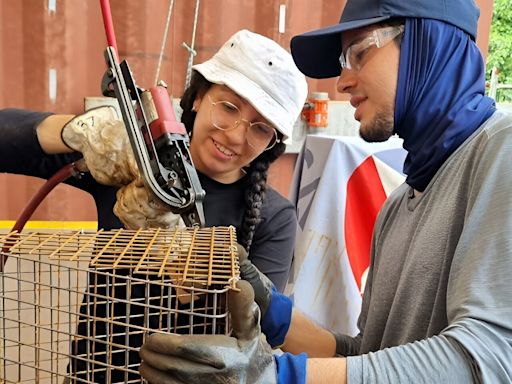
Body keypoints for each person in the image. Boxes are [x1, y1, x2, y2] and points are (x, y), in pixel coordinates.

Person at [137, 0, 512, 383]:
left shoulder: (503, 151)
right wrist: (270, 307)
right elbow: (370, 356)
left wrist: (280, 377)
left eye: (360, 53)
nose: (342, 82)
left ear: (428, 43)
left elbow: (491, 359)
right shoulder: (398, 206)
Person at [0, 29, 307, 382]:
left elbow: (259, 328)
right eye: (229, 107)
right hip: (94, 373)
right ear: (197, 98)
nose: (236, 135)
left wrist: (186, 254)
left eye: (260, 128)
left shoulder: (273, 215)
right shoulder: (135, 166)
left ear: (272, 143)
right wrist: (80, 131)